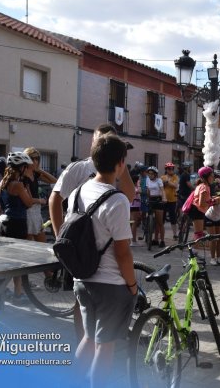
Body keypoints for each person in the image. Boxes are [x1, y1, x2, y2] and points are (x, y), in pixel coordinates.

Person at [49, 124, 135, 341]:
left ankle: (89, 345)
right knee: (83, 300)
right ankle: (85, 339)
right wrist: (61, 237)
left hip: (104, 244)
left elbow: (130, 196)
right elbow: (55, 199)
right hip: (81, 244)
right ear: (93, 142)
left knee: (87, 297)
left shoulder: (117, 168)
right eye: (102, 139)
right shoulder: (79, 168)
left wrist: (122, 166)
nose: (106, 142)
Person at [70, 134, 137, 386]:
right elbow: (122, 253)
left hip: (82, 279)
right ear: (121, 164)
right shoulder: (117, 200)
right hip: (110, 285)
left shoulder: (78, 192)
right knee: (104, 346)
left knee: (88, 338)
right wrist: (132, 285)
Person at [0, 152, 46, 302]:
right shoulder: (18, 185)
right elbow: (27, 203)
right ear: (21, 168)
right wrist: (40, 200)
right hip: (18, 224)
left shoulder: (5, 182)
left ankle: (10, 294)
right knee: (16, 263)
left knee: (10, 261)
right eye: (26, 167)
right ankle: (3, 294)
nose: (28, 169)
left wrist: (0, 212)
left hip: (5, 223)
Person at [23, 147, 57, 242]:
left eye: (37, 159)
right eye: (33, 159)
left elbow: (54, 181)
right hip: (28, 211)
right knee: (26, 245)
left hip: (36, 212)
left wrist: (40, 170)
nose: (35, 161)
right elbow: (27, 199)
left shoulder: (35, 173)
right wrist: (40, 201)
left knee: (42, 243)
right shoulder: (23, 176)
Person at [188, 166, 220, 243]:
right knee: (198, 235)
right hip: (197, 211)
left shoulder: (201, 185)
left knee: (199, 234)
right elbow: (202, 203)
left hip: (197, 211)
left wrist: (213, 199)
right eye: (212, 176)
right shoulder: (204, 187)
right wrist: (214, 201)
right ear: (205, 177)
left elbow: (205, 199)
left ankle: (194, 251)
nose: (213, 178)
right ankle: (193, 251)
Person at [146, 166, 167, 247]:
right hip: (151, 199)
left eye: (152, 174)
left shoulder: (159, 180)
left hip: (158, 200)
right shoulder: (148, 180)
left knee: (159, 222)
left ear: (155, 174)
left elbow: (162, 190)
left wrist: (164, 198)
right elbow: (148, 190)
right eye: (149, 174)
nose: (150, 175)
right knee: (152, 221)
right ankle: (154, 239)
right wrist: (147, 199)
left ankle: (162, 240)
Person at [161, 162, 179, 240]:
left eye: (172, 169)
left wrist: (167, 182)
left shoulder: (175, 177)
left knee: (173, 217)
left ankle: (175, 234)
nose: (170, 170)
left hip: (172, 200)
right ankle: (160, 234)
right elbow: (161, 186)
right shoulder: (162, 177)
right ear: (166, 169)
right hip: (164, 200)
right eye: (169, 169)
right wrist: (168, 183)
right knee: (162, 217)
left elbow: (175, 186)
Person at [130, 164, 147, 246]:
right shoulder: (136, 186)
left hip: (130, 205)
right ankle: (133, 240)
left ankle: (130, 240)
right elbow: (139, 191)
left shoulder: (128, 186)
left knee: (130, 222)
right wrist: (139, 185)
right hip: (135, 205)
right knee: (134, 223)